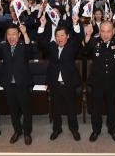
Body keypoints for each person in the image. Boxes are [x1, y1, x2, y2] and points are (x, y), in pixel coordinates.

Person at [0, 22, 34, 145]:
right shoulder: (4, 46)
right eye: (9, 34)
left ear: (19, 34)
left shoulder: (23, 45)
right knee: (13, 110)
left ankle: (27, 132)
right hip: (8, 84)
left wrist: (26, 34)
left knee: (26, 110)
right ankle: (17, 131)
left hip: (22, 84)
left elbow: (29, 48)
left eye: (14, 34)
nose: (11, 37)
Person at [37, 13, 83, 141]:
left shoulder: (71, 47)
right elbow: (40, 41)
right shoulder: (52, 47)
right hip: (55, 84)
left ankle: (74, 129)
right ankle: (57, 129)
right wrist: (42, 25)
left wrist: (75, 24)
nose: (60, 38)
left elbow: (79, 38)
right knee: (56, 108)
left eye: (62, 35)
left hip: (69, 83)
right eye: (57, 35)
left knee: (71, 108)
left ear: (67, 36)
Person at [82, 21, 115, 142]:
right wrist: (87, 35)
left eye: (108, 31)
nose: (105, 34)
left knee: (112, 106)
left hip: (113, 81)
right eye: (103, 31)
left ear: (113, 31)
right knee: (96, 107)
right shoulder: (94, 41)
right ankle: (96, 129)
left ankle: (112, 129)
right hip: (97, 82)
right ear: (99, 31)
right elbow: (85, 50)